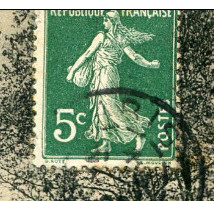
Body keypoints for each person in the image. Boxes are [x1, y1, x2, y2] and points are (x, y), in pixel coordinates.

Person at [66, 10, 160, 154]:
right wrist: (150, 64)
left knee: (111, 107)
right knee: (100, 107)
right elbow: (135, 57)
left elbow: (87, 55)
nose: (103, 22)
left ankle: (138, 132)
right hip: (104, 74)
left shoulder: (101, 36)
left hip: (106, 74)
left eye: (105, 20)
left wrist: (73, 72)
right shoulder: (120, 37)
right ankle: (106, 143)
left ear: (112, 21)